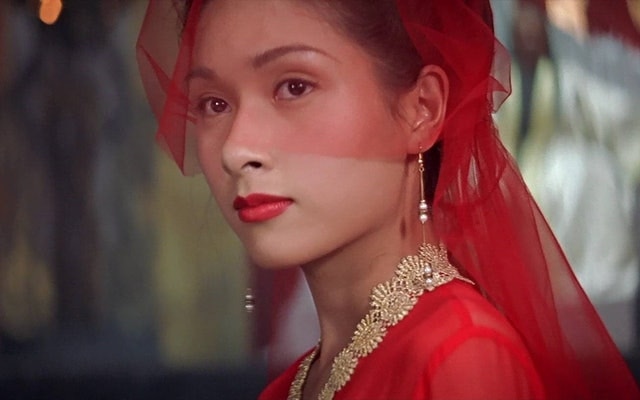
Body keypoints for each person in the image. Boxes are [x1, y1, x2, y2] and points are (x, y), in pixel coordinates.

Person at [136, 0, 640, 398]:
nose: (236, 149)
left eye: (293, 86)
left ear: (422, 109)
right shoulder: (296, 383)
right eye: (214, 103)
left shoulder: (461, 360)